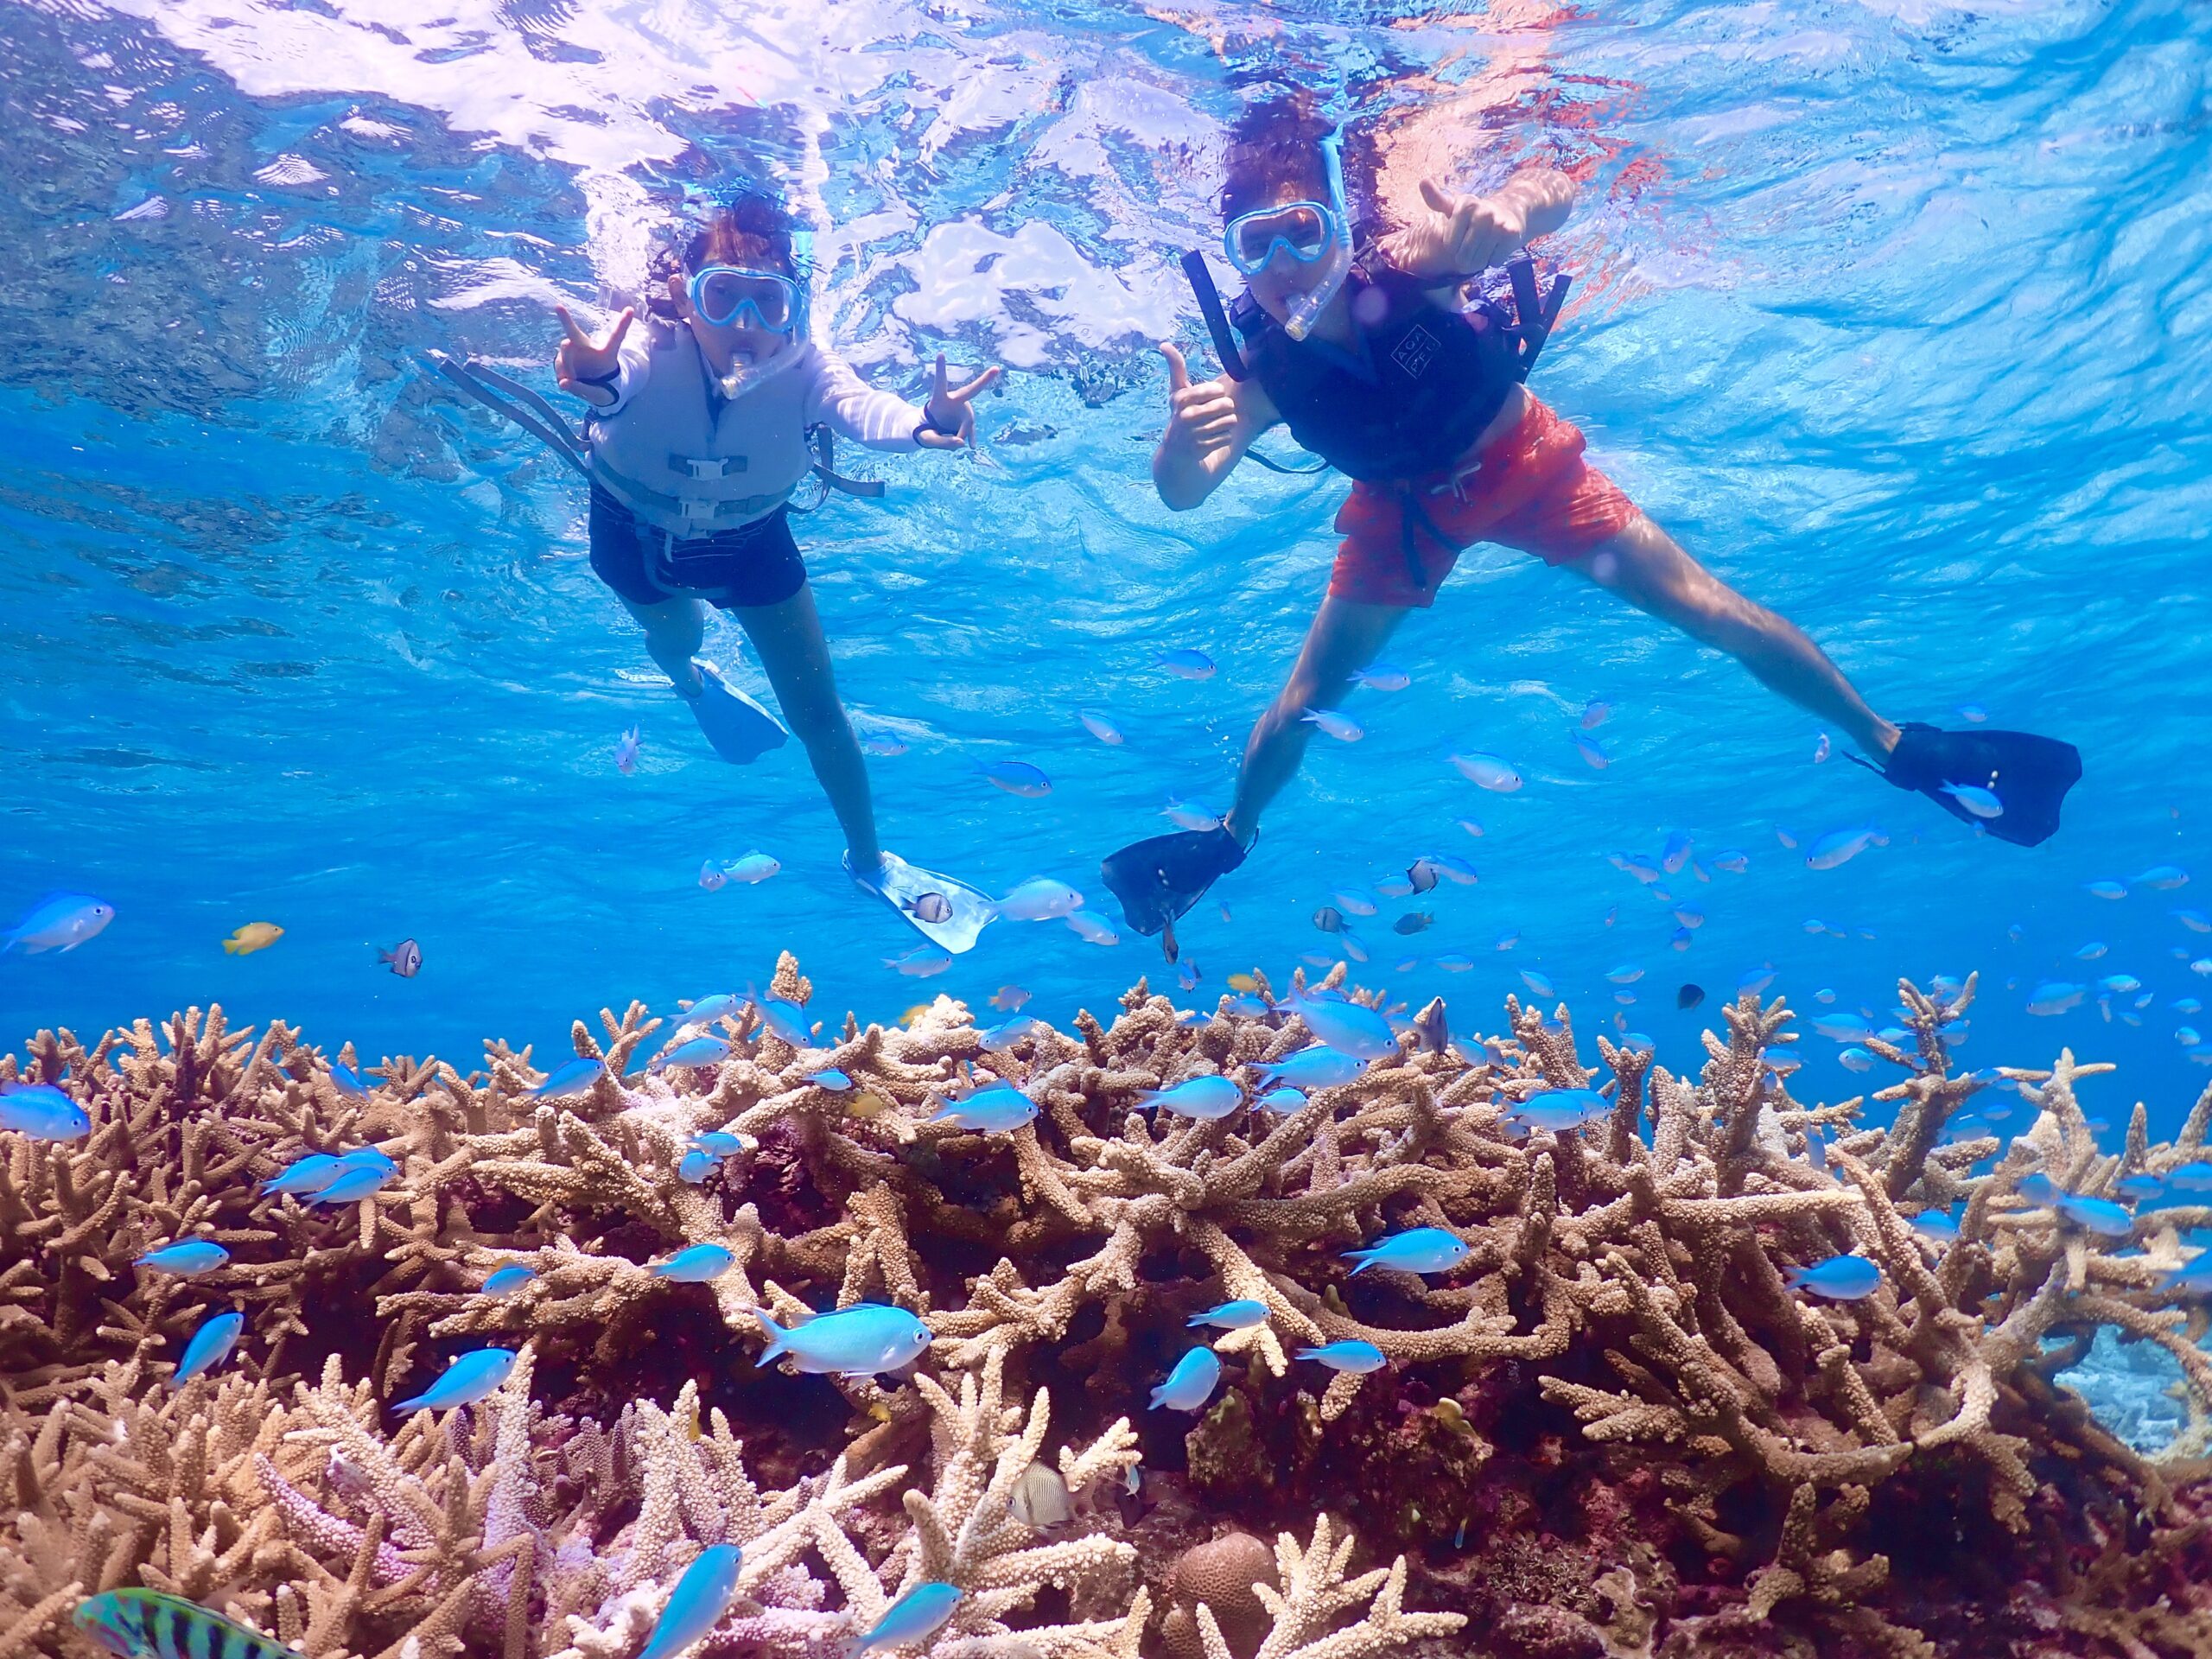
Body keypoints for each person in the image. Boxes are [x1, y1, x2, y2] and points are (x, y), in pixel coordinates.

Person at [1099, 100, 2079, 944]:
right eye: (1256, 245)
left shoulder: (1408, 265)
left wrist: (1513, 212)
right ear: (1233, 261)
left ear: (1345, 227)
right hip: (1403, 515)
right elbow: (1184, 492)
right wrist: (1181, 448)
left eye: (1304, 231)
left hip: (1526, 468)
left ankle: (1897, 745)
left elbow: (1548, 191)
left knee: (1711, 610)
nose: (1283, 264)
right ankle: (1228, 841)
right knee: (1306, 697)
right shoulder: (1262, 371)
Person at [479, 194, 1000, 949]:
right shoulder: (648, 345)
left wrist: (926, 424)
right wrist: (591, 375)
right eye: (722, 296)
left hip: (752, 544)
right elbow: (615, 376)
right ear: (686, 297)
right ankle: (691, 682)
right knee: (678, 639)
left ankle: (869, 860)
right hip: (631, 534)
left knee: (818, 710)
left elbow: (865, 409)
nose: (746, 324)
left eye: (769, 301)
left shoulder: (808, 365)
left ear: (794, 308)